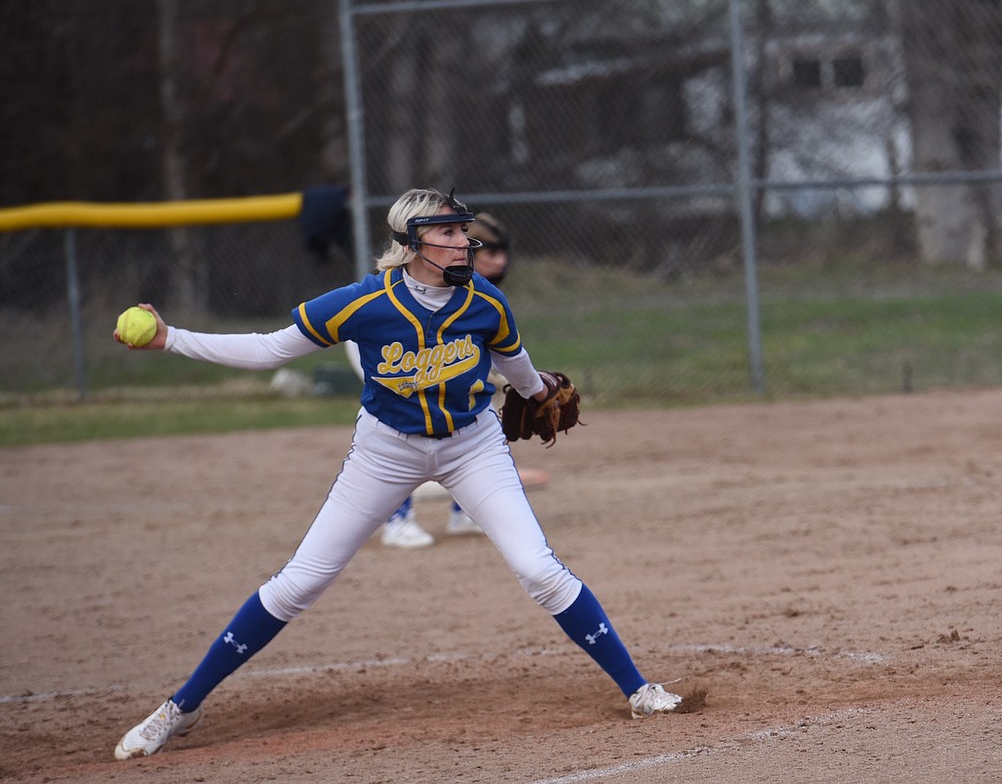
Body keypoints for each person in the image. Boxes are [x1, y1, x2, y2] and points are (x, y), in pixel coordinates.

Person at [110, 188, 682, 760]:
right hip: (385, 452)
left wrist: (543, 392)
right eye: (450, 233)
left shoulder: (486, 304)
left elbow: (523, 375)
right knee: (299, 583)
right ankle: (181, 708)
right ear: (412, 243)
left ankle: (639, 689)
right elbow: (267, 351)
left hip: (472, 447)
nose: (465, 242)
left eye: (464, 232)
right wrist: (171, 338)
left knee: (540, 570)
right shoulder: (363, 302)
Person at [380, 212, 511, 548]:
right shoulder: (419, 280)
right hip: (391, 357)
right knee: (409, 428)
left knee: (481, 420)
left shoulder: (474, 288)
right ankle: (397, 519)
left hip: (441, 363)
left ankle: (464, 510)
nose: (500, 261)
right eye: (490, 253)